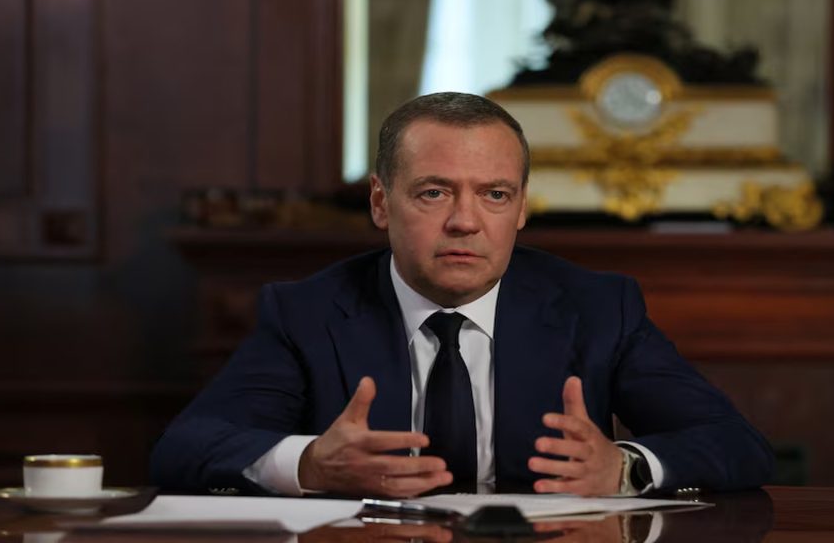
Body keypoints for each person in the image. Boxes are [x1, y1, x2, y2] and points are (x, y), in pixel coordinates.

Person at [151, 92, 773, 498]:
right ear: (380, 202)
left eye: (494, 195)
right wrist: (310, 463)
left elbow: (737, 445)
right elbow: (185, 448)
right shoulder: (307, 312)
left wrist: (625, 468)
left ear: (521, 209)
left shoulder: (597, 307)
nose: (465, 222)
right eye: (434, 192)